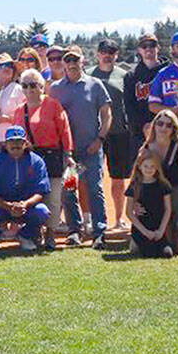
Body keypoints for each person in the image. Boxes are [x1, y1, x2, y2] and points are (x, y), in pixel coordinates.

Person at [50, 47, 112, 246]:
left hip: (91, 148)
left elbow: (107, 114)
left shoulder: (95, 85)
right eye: (68, 60)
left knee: (95, 189)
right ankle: (74, 231)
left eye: (75, 60)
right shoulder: (56, 88)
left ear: (82, 62)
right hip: (69, 152)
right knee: (69, 191)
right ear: (64, 64)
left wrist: (100, 139)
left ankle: (99, 231)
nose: (71, 64)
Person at [13, 68, 72, 246]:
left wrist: (68, 154)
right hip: (30, 158)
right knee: (33, 196)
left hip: (52, 156)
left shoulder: (53, 105)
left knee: (53, 197)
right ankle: (35, 231)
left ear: (41, 86)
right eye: (25, 85)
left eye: (33, 85)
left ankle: (51, 233)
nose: (29, 89)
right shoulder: (19, 110)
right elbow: (16, 137)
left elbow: (64, 130)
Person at [0, 126, 50, 254]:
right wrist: (9, 206)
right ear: (5, 144)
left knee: (42, 211)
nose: (15, 145)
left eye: (19, 142)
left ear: (26, 144)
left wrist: (25, 204)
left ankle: (25, 236)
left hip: (27, 207)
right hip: (1, 207)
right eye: (12, 141)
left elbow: (40, 192)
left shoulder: (37, 161)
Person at [140, 109, 178, 252]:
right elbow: (137, 181)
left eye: (169, 125)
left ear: (174, 129)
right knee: (148, 245)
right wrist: (136, 203)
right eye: (160, 123)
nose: (163, 128)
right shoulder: (145, 150)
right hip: (158, 200)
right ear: (154, 125)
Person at [91, 38, 132, 231]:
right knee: (92, 178)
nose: (107, 55)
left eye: (111, 52)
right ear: (98, 54)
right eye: (104, 52)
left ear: (116, 55)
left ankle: (118, 218)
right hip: (94, 133)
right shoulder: (88, 74)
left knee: (117, 178)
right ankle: (93, 220)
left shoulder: (124, 75)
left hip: (118, 133)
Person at [125, 153, 175, 258]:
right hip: (141, 226)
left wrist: (161, 230)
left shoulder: (163, 185)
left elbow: (168, 209)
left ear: (157, 168)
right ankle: (137, 242)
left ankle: (163, 245)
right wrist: (145, 232)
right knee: (146, 252)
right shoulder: (134, 185)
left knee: (165, 251)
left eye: (152, 166)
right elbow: (129, 212)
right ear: (139, 167)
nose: (149, 169)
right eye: (146, 166)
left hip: (157, 225)